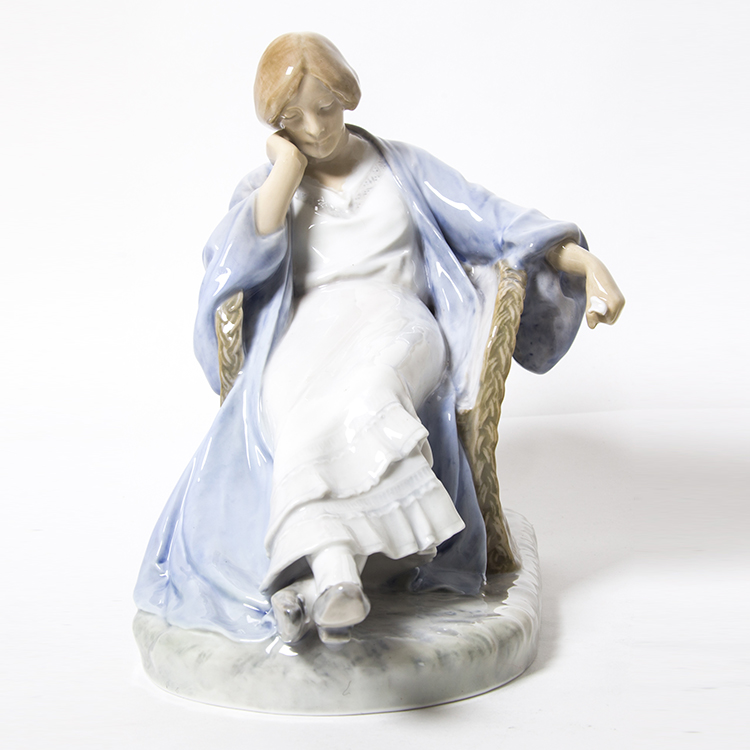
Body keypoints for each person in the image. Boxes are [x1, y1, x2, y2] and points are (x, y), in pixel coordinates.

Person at [134, 33, 624, 647]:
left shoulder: (401, 168)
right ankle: (334, 579)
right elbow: (234, 263)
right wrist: (285, 171)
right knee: (298, 414)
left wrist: (585, 262)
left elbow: (498, 222)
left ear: (347, 96)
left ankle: (335, 572)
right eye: (294, 119)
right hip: (308, 335)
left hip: (396, 320)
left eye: (325, 108)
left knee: (369, 391)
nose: (315, 128)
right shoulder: (269, 189)